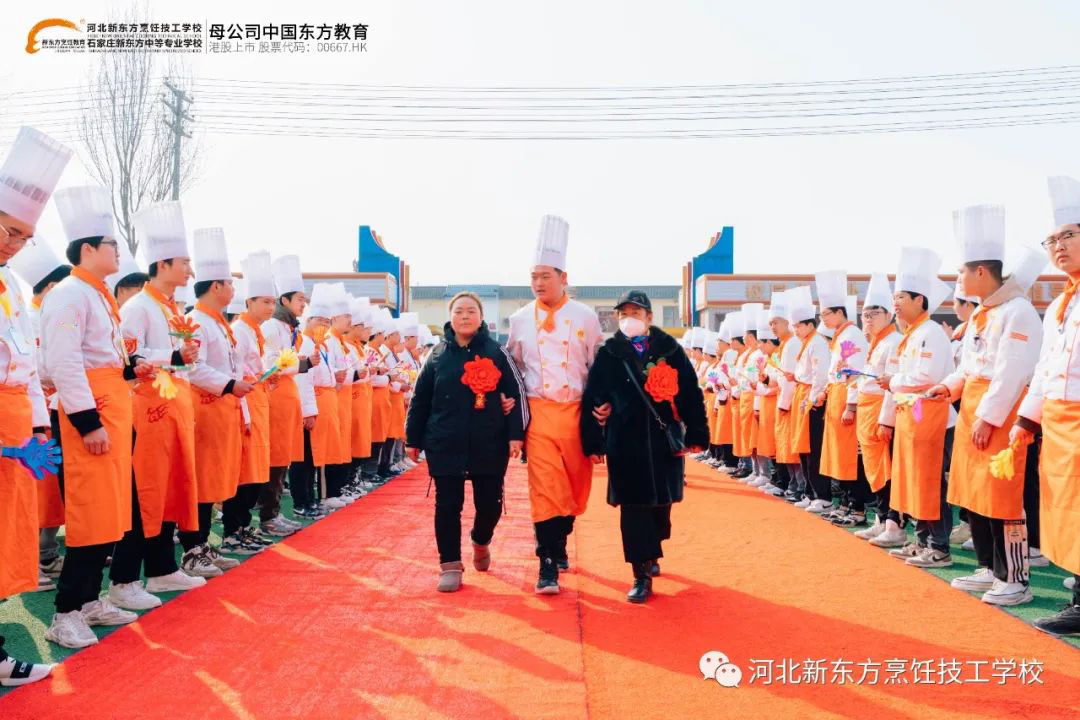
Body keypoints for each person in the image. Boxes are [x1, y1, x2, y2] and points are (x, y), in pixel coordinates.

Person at [43, 184, 154, 647]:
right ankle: (66, 610)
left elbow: (99, 357)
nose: (118, 252)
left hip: (111, 407)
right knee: (90, 510)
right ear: (87, 249)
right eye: (111, 244)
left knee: (111, 509)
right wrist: (87, 423)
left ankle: (89, 599)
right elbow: (63, 362)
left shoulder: (97, 294)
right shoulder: (69, 294)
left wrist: (131, 367)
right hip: (89, 413)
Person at [928, 206, 1043, 606]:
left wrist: (989, 418)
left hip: (1000, 411)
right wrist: (947, 387)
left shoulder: (1018, 311)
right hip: (975, 408)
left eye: (961, 272)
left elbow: (1012, 372)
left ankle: (1015, 578)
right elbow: (969, 367)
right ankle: (988, 567)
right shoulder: (982, 313)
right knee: (973, 491)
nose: (957, 279)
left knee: (1003, 494)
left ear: (980, 272)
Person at [581, 290, 708, 603]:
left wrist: (696, 432)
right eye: (623, 314)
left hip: (663, 440)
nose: (629, 319)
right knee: (634, 507)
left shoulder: (670, 350)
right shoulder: (609, 353)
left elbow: (690, 391)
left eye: (635, 313)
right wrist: (594, 438)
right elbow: (594, 395)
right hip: (625, 441)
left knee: (661, 508)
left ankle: (653, 547)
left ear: (649, 317)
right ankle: (640, 573)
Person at [0, 126, 71, 684]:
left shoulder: (12, 289)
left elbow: (24, 365)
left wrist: (40, 429)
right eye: (9, 230)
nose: (13, 243)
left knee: (6, 539)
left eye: (24, 237)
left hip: (15, 430)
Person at [109, 200, 205, 600]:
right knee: (144, 492)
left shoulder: (170, 308)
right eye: (184, 262)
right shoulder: (138, 307)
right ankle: (123, 580)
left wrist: (183, 358)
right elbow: (129, 359)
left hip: (172, 410)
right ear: (163, 264)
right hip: (146, 412)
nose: (190, 271)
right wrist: (175, 356)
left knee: (170, 489)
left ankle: (163, 568)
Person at [507, 215, 606, 595]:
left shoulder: (585, 317)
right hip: (540, 413)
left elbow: (597, 367)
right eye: (533, 277)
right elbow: (514, 368)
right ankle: (546, 562)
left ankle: (560, 538)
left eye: (545, 276)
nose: (538, 283)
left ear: (563, 278)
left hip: (577, 415)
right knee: (545, 489)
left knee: (575, 491)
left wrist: (604, 405)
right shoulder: (519, 320)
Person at [405, 291, 527, 592]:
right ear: (450, 316)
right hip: (445, 441)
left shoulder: (497, 353)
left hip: (489, 442)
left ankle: (480, 539)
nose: (465, 316)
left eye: (471, 311)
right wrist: (413, 439)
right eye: (459, 311)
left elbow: (516, 393)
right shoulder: (436, 355)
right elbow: (420, 399)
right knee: (447, 505)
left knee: (490, 504)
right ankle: (449, 564)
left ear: (481, 317)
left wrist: (516, 434)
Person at [1011, 175, 1080, 636]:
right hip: (1059, 425)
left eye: (1067, 235)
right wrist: (1025, 420)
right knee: (1068, 511)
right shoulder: (1059, 306)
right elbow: (1045, 368)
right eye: (1052, 240)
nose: (1058, 246)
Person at [180, 228, 254, 561]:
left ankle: (204, 546)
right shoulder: (195, 322)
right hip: (204, 412)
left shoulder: (217, 324)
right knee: (202, 481)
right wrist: (228, 385)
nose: (233, 291)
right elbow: (192, 368)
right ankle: (194, 547)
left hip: (222, 411)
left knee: (215, 481)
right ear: (216, 287)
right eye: (230, 284)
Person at [881, 246, 955, 569]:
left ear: (919, 300)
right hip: (913, 419)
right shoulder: (912, 334)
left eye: (900, 297)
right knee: (914, 480)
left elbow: (926, 376)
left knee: (930, 482)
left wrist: (893, 381)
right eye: (894, 297)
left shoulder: (930, 332)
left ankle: (939, 546)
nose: (895, 303)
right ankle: (922, 540)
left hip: (932, 420)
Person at [8, 235, 69, 591]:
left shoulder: (54, 315)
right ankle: (34, 555)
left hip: (41, 414)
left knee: (48, 487)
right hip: (34, 409)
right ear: (48, 287)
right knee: (34, 488)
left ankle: (45, 552)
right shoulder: (30, 317)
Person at [227, 252, 282, 544]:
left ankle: (243, 527)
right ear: (249, 302)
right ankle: (234, 530)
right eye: (265, 301)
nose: (271, 307)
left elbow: (252, 370)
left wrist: (266, 377)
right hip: (245, 406)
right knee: (245, 472)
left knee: (256, 470)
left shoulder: (254, 331)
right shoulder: (240, 330)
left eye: (273, 302)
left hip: (257, 403)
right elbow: (236, 373)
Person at [259, 255, 315, 528]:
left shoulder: (288, 328)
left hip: (287, 398)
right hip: (276, 398)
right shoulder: (272, 326)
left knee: (283, 458)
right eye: (300, 299)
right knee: (276, 457)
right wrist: (301, 364)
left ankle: (274, 513)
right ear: (285, 300)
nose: (304, 304)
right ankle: (268, 514)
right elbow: (270, 365)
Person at [852, 273, 905, 542]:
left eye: (875, 313)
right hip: (867, 412)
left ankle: (894, 524)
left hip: (882, 412)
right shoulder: (875, 343)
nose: (869, 319)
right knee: (873, 468)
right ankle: (881, 519)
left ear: (889, 315)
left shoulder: (893, 342)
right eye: (865, 314)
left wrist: (886, 420)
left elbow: (890, 386)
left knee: (887, 469)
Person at [815, 271, 871, 524]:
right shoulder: (840, 338)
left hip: (846, 400)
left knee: (849, 456)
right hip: (836, 398)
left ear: (839, 312)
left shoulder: (851, 336)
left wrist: (851, 405)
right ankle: (846, 504)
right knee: (838, 455)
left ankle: (857, 508)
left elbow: (855, 374)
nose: (823, 319)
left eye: (826, 314)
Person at [788, 287, 830, 510]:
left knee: (812, 448)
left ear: (810, 325)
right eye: (794, 326)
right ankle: (809, 492)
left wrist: (813, 399)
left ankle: (822, 495)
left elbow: (820, 375)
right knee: (802, 447)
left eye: (798, 325)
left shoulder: (818, 343)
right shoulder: (807, 343)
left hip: (811, 399)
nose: (795, 330)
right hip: (802, 394)